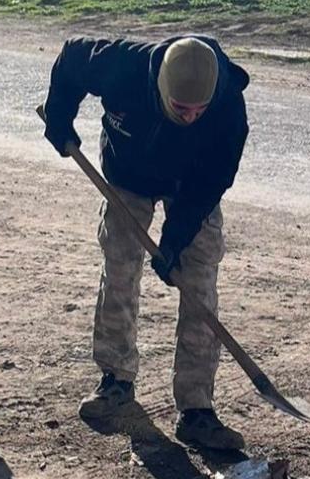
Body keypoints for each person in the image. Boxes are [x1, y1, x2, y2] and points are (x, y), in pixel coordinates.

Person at [42, 35, 251, 451]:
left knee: (199, 280)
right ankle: (115, 381)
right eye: (180, 109)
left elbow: (212, 182)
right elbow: (69, 60)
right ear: (160, 88)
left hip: (190, 184)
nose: (191, 118)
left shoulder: (228, 110)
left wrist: (174, 240)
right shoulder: (121, 66)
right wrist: (59, 117)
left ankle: (196, 409)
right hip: (128, 174)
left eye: (198, 111)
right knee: (120, 268)